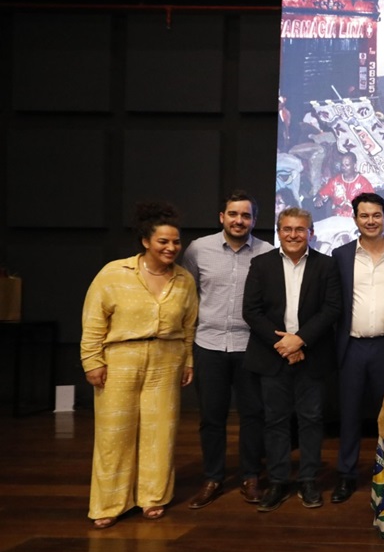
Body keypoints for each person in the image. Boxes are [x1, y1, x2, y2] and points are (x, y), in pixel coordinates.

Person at [81, 202, 198, 528]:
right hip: (120, 360)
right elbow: (93, 322)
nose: (171, 247)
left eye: (175, 242)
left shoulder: (184, 280)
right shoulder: (113, 274)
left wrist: (187, 360)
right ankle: (109, 503)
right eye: (163, 241)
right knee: (113, 434)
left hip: (167, 359)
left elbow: (189, 326)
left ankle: (153, 497)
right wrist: (92, 361)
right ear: (146, 241)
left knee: (160, 433)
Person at [243, 207, 342, 512]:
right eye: (287, 229)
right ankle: (278, 482)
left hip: (311, 356)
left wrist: (300, 340)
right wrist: (283, 344)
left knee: (311, 420)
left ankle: (309, 481)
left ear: (310, 233)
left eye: (300, 229)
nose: (294, 235)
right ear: (279, 231)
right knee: (275, 421)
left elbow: (331, 309)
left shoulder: (326, 266)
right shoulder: (261, 264)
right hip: (272, 357)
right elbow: (251, 311)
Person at [184, 190, 273, 510]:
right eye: (233, 214)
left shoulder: (266, 252)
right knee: (211, 417)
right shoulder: (198, 250)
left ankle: (250, 476)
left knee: (253, 415)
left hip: (251, 347)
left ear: (254, 221)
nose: (239, 220)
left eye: (246, 216)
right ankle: (213, 477)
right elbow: (188, 294)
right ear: (222, 217)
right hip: (208, 344)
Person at [328, 193, 384, 504]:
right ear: (355, 218)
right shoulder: (341, 256)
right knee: (349, 414)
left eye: (376, 215)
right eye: (364, 215)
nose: (370, 221)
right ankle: (346, 475)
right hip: (352, 347)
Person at [314, 153, 374, 218]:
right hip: (336, 220)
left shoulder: (363, 183)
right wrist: (319, 199)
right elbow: (321, 193)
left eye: (347, 165)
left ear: (354, 165)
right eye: (342, 165)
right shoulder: (335, 181)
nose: (344, 168)